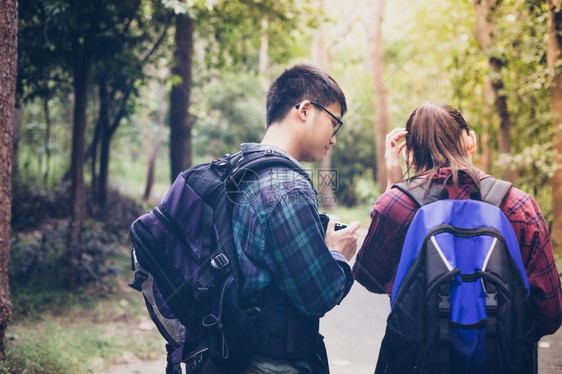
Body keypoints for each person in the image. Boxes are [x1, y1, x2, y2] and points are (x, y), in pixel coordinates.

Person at [353, 102, 562, 371]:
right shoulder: (519, 206)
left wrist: (392, 187)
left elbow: (369, 277)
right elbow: (550, 314)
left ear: (410, 156)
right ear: (471, 141)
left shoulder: (394, 205)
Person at [232, 64, 361, 374]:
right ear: (305, 110)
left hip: (234, 350)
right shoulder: (287, 186)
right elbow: (318, 296)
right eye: (335, 122)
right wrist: (336, 254)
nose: (334, 137)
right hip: (270, 362)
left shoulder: (241, 166)